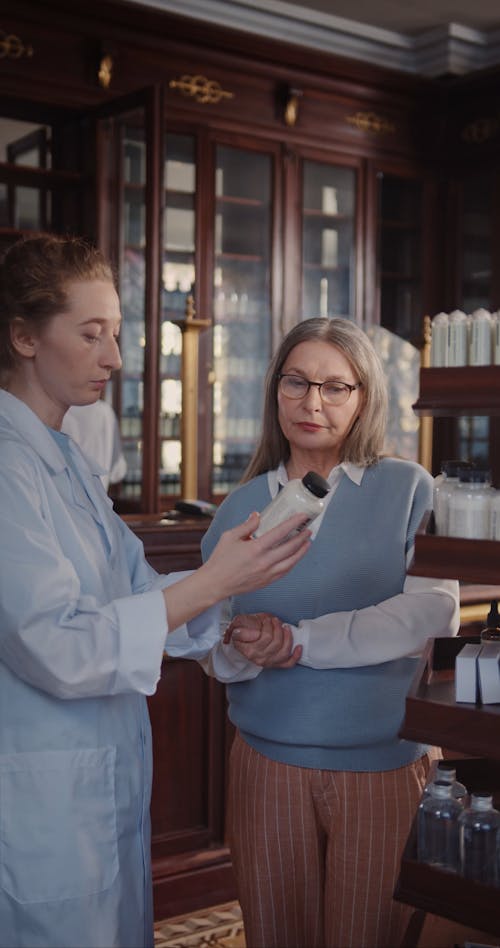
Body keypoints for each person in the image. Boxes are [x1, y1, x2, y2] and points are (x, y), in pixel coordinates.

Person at [0, 233, 311, 948]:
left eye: (116, 333)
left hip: (95, 779)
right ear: (23, 336)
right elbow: (55, 643)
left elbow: (135, 591)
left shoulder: (65, 457)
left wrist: (225, 613)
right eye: (91, 334)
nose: (114, 357)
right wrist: (211, 582)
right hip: (42, 792)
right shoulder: (8, 467)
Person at [200, 317, 460, 948]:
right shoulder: (240, 508)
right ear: (275, 391)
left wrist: (297, 642)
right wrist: (243, 645)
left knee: (370, 937)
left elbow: (429, 614)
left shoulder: (409, 489)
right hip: (266, 766)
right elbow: (209, 638)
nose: (312, 402)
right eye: (296, 382)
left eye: (335, 387)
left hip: (385, 765)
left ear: (363, 397)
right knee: (275, 935)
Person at [62, 399, 127, 490]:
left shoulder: (59, 411)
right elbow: (118, 472)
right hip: (98, 496)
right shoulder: (105, 411)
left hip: (61, 495)